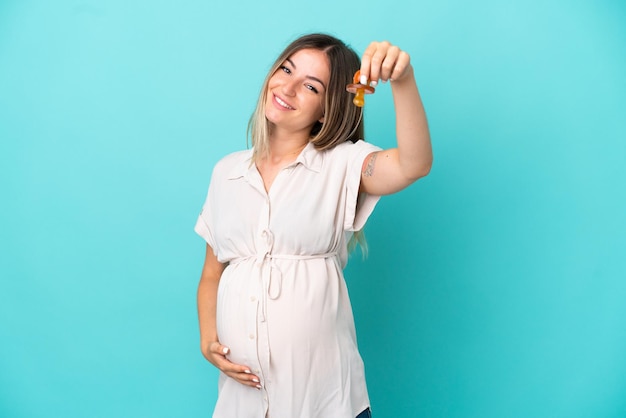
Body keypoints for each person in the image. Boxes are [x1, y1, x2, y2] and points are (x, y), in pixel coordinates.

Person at [194, 33, 432, 418]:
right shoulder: (226, 173)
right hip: (243, 404)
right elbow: (211, 274)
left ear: (326, 108)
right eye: (286, 69)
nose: (287, 87)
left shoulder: (343, 165)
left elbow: (413, 164)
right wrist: (208, 340)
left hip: (325, 402)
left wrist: (402, 80)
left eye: (310, 86)